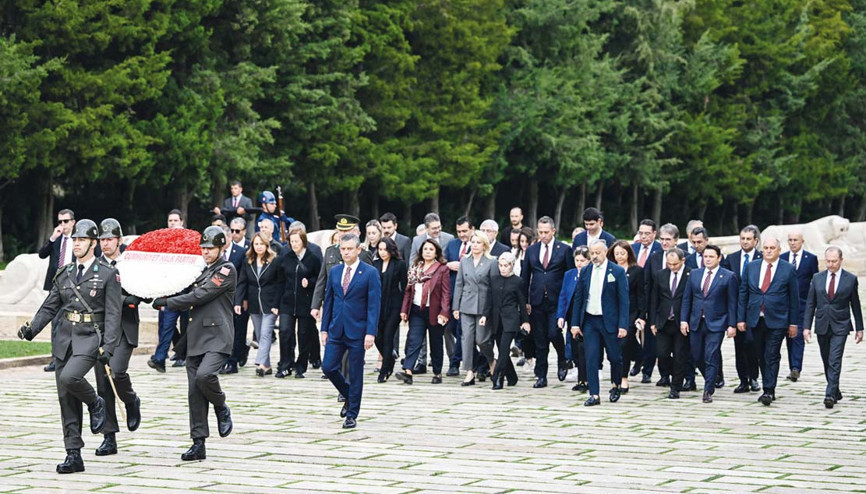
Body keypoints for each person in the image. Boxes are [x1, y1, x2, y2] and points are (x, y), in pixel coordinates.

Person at [18, 219, 119, 473]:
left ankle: (96, 403)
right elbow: (50, 306)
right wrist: (32, 329)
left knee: (69, 377)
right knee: (66, 397)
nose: (77, 244)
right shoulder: (64, 273)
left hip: (90, 338)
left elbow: (113, 314)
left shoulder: (107, 274)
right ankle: (73, 454)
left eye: (82, 240)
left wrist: (109, 347)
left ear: (93, 244)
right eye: (75, 240)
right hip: (65, 338)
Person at [152, 226, 235, 460]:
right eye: (203, 248)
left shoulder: (226, 269)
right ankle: (198, 443)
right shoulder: (201, 271)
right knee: (194, 393)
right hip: (196, 337)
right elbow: (183, 287)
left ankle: (221, 406)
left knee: (205, 376)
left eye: (210, 248)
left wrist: (168, 303)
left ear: (221, 248)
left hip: (218, 336)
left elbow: (201, 295)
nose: (206, 252)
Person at [93, 218, 143, 456]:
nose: (105, 244)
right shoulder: (95, 265)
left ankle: (131, 400)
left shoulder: (130, 264)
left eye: (110, 239)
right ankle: (109, 436)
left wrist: (132, 298)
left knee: (117, 371)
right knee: (103, 382)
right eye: (102, 239)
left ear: (119, 240)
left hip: (124, 326)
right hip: (101, 328)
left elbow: (143, 291)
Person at [320, 234, 381, 429]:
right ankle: (348, 394)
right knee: (328, 367)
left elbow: (374, 305)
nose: (346, 252)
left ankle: (352, 414)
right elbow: (329, 301)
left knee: (355, 373)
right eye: (343, 249)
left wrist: (370, 332)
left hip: (358, 329)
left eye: (349, 249)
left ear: (358, 250)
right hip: (336, 328)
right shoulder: (335, 272)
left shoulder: (370, 273)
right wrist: (324, 328)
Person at [737, 236, 799, 406]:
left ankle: (768, 390)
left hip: (778, 319)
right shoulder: (751, 267)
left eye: (772, 248)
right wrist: (740, 318)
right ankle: (768, 385)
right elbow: (743, 293)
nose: (769, 251)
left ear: (779, 250)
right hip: (755, 318)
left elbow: (794, 298)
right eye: (766, 248)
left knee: (772, 354)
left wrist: (793, 323)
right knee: (761, 355)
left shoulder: (788, 269)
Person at [803, 246, 864, 408]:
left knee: (835, 359)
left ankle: (829, 395)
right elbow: (810, 303)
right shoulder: (817, 278)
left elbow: (855, 304)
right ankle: (835, 389)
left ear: (841, 260)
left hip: (841, 324)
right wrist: (806, 327)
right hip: (822, 324)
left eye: (834, 261)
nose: (830, 264)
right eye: (828, 261)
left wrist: (859, 328)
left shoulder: (850, 279)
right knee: (826, 359)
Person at [570, 239, 629, 406]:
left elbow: (624, 300)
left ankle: (616, 385)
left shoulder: (617, 271)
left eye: (597, 253)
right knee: (591, 357)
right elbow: (579, 297)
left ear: (605, 252)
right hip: (590, 320)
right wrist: (575, 324)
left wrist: (623, 325)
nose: (594, 256)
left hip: (609, 320)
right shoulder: (586, 270)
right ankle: (594, 394)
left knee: (615, 357)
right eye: (592, 253)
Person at [680, 245, 738, 403]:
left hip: (717, 322)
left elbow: (732, 302)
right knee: (696, 355)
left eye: (711, 256)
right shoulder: (695, 274)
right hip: (696, 321)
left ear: (719, 258)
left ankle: (708, 390)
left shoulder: (728, 276)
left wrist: (732, 324)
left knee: (711, 355)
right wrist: (684, 320)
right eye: (705, 256)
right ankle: (712, 377)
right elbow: (687, 298)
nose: (708, 259)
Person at [521, 216, 574, 388]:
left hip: (556, 300)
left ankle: (562, 358)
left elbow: (570, 276)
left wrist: (567, 301)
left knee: (553, 333)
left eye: (546, 232)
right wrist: (525, 301)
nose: (543, 235)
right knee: (540, 340)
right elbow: (525, 277)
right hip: (536, 300)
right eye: (540, 232)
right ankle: (541, 375)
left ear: (553, 231)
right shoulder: (532, 250)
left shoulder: (564, 250)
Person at [396, 239, 451, 385]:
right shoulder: (415, 268)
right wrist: (404, 309)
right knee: (414, 340)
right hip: (416, 310)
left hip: (435, 311)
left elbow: (446, 293)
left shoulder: (442, 269)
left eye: (431, 249)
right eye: (425, 249)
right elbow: (408, 291)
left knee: (436, 343)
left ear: (436, 253)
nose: (427, 252)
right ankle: (408, 371)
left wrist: (444, 312)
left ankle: (437, 373)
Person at [720, 224, 762, 393]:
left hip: (755, 308)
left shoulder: (761, 258)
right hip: (736, 308)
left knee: (752, 343)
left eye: (748, 239)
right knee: (740, 345)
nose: (745, 242)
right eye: (742, 238)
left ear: (755, 241)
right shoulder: (731, 258)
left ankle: (754, 377)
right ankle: (743, 380)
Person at [275, 230, 321, 379]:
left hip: (305, 303)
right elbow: (280, 282)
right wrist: (276, 304)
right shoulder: (286, 258)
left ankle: (301, 366)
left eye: (297, 241)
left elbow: (320, 279)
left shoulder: (313, 258)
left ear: (303, 241)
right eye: (291, 241)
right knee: (285, 332)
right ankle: (285, 365)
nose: (294, 244)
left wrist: (310, 282)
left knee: (304, 334)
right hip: (287, 302)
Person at [453, 231, 496, 386]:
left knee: (482, 340)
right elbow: (459, 284)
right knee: (467, 339)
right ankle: (469, 371)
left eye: (479, 242)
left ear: (484, 245)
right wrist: (456, 307)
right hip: (466, 304)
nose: (475, 245)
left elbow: (493, 286)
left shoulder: (491, 261)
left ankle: (491, 361)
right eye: (473, 242)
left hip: (484, 305)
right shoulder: (465, 260)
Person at [148, 209, 189, 373]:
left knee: (186, 327)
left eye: (175, 220)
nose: (172, 223)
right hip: (170, 292)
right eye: (170, 220)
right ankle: (160, 359)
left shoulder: (189, 240)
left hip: (187, 292)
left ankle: (183, 355)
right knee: (167, 326)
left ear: (181, 222)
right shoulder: (163, 242)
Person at [234, 233, 280, 377]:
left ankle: (260, 362)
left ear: (267, 245)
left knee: (266, 333)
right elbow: (242, 282)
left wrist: (277, 304)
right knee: (260, 335)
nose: (259, 247)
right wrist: (238, 301)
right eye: (256, 244)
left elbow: (280, 283)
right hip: (253, 303)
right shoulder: (248, 260)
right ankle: (267, 365)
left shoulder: (274, 260)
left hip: (270, 303)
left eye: (261, 244)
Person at [481, 252, 530, 389]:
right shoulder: (494, 279)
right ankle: (512, 376)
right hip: (496, 319)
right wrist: (485, 315)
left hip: (511, 319)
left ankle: (498, 377)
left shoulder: (518, 281)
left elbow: (522, 303)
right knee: (501, 348)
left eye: (506, 266)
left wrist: (525, 321)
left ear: (512, 265)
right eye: (500, 265)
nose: (502, 268)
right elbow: (489, 300)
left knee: (503, 350)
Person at [639, 223, 680, 385]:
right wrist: (645, 309)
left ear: (676, 240)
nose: (664, 242)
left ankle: (681, 376)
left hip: (676, 309)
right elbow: (647, 284)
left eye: (668, 239)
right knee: (656, 346)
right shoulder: (654, 257)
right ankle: (661, 375)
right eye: (662, 239)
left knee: (678, 349)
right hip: (657, 308)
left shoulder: (685, 257)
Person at [649, 248, 691, 399]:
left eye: (675, 264)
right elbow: (654, 299)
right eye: (669, 264)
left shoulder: (691, 274)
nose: (672, 267)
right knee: (662, 354)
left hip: (681, 322)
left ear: (683, 261)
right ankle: (677, 374)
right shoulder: (660, 274)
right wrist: (653, 321)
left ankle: (675, 387)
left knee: (680, 355)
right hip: (664, 321)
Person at [780, 230, 819, 382]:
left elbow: (816, 281)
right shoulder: (782, 258)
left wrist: (815, 304)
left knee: (797, 335)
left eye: (795, 240)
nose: (792, 243)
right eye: (790, 240)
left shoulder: (811, 259)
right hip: (784, 304)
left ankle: (796, 367)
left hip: (803, 304)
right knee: (787, 336)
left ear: (802, 241)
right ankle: (791, 366)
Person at [607, 240, 645, 394]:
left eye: (622, 253)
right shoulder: (609, 269)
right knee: (616, 345)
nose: (620, 256)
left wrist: (642, 315)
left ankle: (623, 378)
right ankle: (641, 355)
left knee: (624, 344)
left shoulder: (637, 271)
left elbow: (641, 295)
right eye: (617, 254)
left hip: (631, 312)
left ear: (629, 254)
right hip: (613, 312)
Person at [443, 216, 475, 376]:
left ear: (472, 229)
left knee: (462, 330)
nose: (462, 234)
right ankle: (480, 360)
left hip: (469, 294)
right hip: (452, 292)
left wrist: (462, 265)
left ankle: (454, 363)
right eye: (459, 231)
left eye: (464, 231)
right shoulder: (452, 244)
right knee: (452, 329)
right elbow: (442, 263)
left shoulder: (477, 245)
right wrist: (448, 265)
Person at [373, 237, 407, 382]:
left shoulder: (400, 264)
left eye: (385, 249)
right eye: (380, 249)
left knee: (388, 336)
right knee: (377, 336)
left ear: (391, 250)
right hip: (378, 304)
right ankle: (390, 358)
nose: (382, 252)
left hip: (394, 304)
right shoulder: (375, 264)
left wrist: (405, 309)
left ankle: (384, 370)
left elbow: (405, 287)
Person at [556, 246, 591, 392]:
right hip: (572, 314)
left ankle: (586, 377)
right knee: (574, 345)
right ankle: (579, 374)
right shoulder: (569, 274)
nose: (579, 263)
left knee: (584, 347)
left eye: (582, 260)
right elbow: (563, 295)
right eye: (577, 260)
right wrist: (561, 315)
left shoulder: (591, 274)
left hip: (587, 315)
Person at [221, 218, 251, 374]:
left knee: (237, 330)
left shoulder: (241, 252)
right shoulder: (216, 252)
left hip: (237, 297)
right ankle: (223, 359)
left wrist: (243, 299)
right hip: (220, 299)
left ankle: (233, 361)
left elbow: (243, 278)